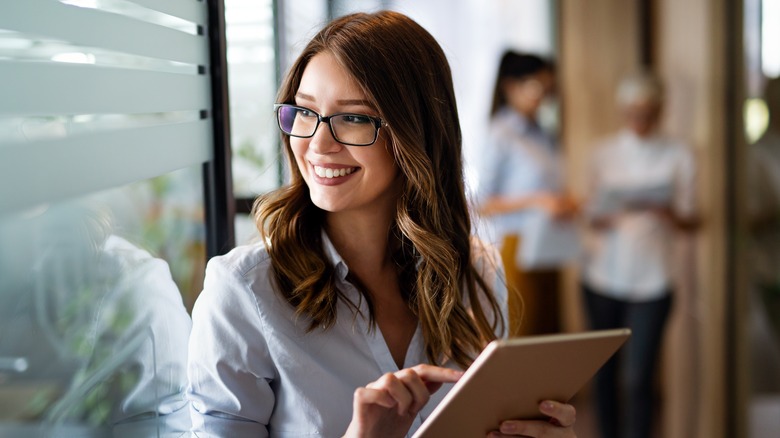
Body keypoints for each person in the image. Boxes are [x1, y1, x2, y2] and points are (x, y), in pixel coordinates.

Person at [186, 11, 577, 438]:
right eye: (304, 111)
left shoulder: (476, 272)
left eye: (353, 118)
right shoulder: (244, 293)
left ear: (416, 134)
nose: (317, 144)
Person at [581, 71, 698, 438]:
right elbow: (587, 214)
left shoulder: (679, 154)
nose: (640, 118)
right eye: (633, 110)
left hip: (655, 279)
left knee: (638, 378)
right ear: (622, 111)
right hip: (603, 277)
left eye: (648, 111)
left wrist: (668, 213)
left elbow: (693, 219)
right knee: (604, 375)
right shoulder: (602, 153)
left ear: (660, 110)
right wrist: (605, 212)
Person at [477, 51, 578, 336]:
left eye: (548, 89)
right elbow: (483, 203)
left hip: (550, 242)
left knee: (549, 333)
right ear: (510, 86)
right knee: (522, 333)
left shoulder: (543, 134)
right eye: (536, 87)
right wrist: (539, 201)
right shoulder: (502, 133)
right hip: (516, 245)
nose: (542, 97)